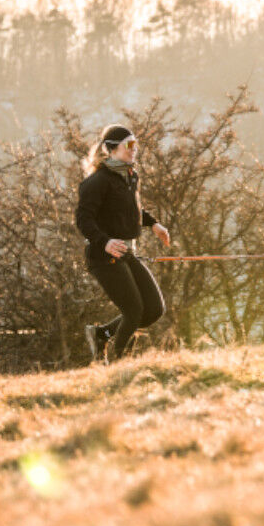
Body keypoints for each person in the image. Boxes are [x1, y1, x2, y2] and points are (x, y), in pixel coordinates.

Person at [75, 124, 170, 363]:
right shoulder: (97, 181)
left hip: (125, 252)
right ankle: (121, 363)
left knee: (154, 310)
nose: (134, 149)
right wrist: (104, 242)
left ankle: (101, 334)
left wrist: (154, 224)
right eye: (129, 145)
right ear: (112, 150)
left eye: (135, 144)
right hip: (103, 256)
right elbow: (83, 219)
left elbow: (132, 209)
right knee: (134, 311)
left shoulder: (129, 175)